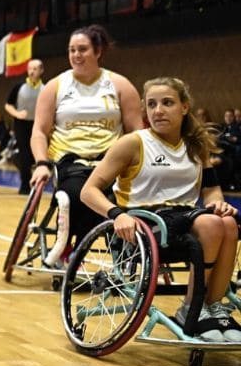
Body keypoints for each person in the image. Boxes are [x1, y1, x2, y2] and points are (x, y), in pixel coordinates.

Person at [80, 77, 240, 342]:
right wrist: (116, 214)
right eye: (152, 104)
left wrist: (218, 202)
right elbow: (89, 190)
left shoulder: (196, 146)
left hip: (187, 217)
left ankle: (212, 306)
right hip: (145, 223)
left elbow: (210, 189)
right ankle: (192, 305)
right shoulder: (133, 143)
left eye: (167, 103)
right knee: (211, 225)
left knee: (229, 223)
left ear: (184, 107)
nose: (158, 110)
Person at [29, 25, 143, 267]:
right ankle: (72, 249)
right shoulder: (55, 86)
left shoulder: (119, 85)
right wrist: (41, 163)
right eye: (72, 50)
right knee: (77, 195)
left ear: (98, 51)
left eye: (82, 49)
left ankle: (111, 253)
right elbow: (39, 131)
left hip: (111, 162)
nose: (76, 55)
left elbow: (137, 132)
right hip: (71, 162)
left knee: (117, 197)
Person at [4, 59, 44, 193]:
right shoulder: (19, 87)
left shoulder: (45, 88)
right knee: (25, 154)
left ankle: (35, 178)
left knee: (36, 154)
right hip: (21, 124)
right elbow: (8, 105)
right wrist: (17, 113)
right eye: (30, 69)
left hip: (38, 125)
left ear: (41, 71)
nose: (32, 71)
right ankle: (25, 185)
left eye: (35, 69)